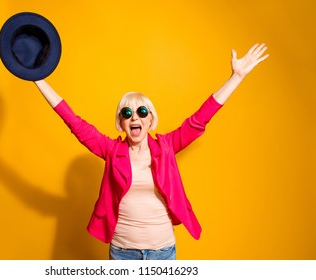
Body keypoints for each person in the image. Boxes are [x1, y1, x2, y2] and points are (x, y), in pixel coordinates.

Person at [33, 43, 269, 260]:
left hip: (162, 253)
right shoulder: (111, 150)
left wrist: (236, 77)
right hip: (122, 253)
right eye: (127, 113)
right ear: (121, 122)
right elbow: (74, 122)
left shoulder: (167, 146)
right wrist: (38, 79)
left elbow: (200, 119)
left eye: (142, 112)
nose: (134, 117)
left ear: (150, 119)